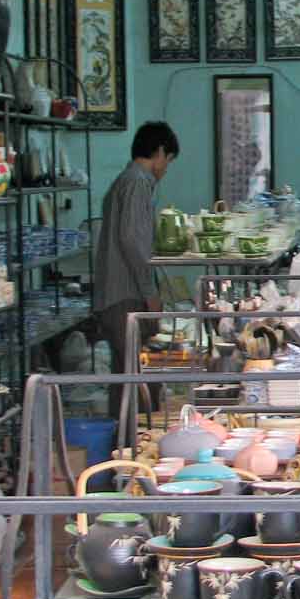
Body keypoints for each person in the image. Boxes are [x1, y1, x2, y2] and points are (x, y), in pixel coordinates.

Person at [94, 120, 178, 425]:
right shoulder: (138, 181)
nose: (165, 168)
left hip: (116, 293)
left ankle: (125, 446)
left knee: (127, 375)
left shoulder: (124, 180)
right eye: (167, 160)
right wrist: (150, 293)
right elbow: (132, 240)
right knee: (139, 375)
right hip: (126, 294)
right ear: (158, 152)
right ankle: (137, 447)